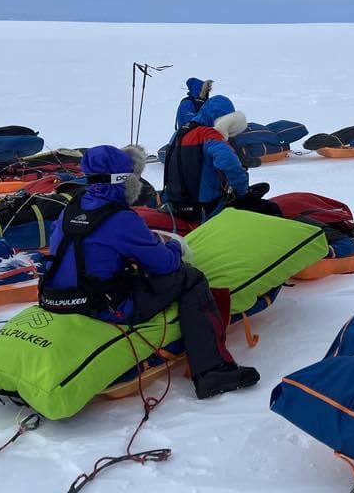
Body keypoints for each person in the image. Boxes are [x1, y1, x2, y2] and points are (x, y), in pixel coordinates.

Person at [39, 144, 259, 400]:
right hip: (101, 306)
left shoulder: (72, 207)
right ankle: (211, 371)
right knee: (191, 278)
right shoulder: (121, 218)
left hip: (55, 298)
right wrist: (173, 246)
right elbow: (165, 264)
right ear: (125, 180)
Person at [164, 94, 250, 222]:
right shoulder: (208, 135)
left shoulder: (178, 133)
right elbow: (228, 162)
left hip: (175, 205)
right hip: (205, 209)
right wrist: (242, 189)